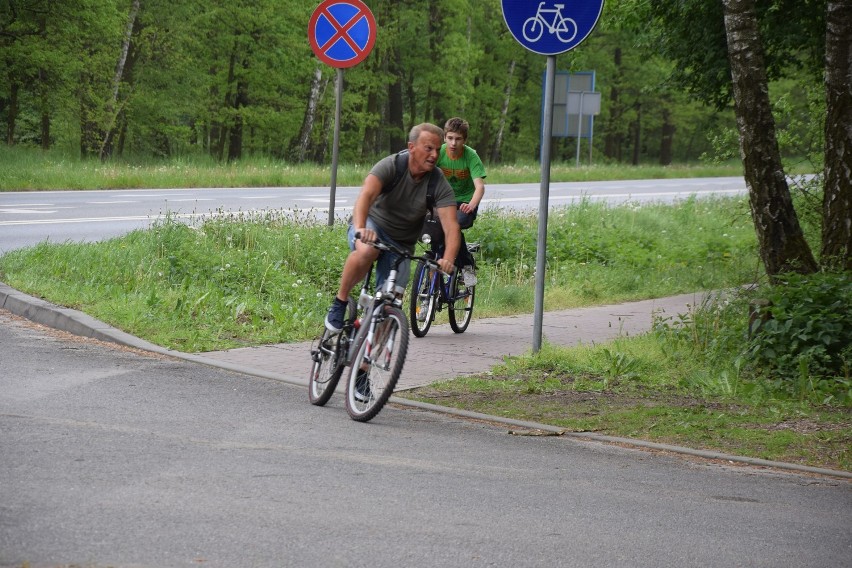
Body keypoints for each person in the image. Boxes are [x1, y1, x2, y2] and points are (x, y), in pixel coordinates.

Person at [325, 123, 461, 333]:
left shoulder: (437, 182)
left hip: (402, 244)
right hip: (372, 225)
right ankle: (339, 302)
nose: (434, 155)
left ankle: (364, 364)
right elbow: (365, 197)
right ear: (412, 146)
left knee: (390, 308)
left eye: (437, 149)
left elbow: (451, 226)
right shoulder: (392, 165)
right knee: (368, 250)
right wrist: (360, 228)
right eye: (428, 148)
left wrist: (448, 259)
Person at [436, 117, 486, 287]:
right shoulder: (439, 152)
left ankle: (466, 264)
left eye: (458, 139)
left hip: (465, 202)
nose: (453, 143)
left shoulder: (471, 156)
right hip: (443, 200)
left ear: (464, 140)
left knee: (454, 226)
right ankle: (434, 273)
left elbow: (479, 186)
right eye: (450, 138)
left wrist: (471, 205)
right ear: (444, 137)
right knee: (433, 226)